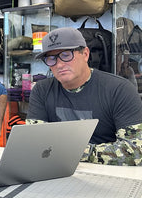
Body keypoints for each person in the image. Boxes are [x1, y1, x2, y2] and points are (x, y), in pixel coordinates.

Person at [27, 27, 142, 166]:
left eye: (66, 55)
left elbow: (135, 151)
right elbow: (33, 141)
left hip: (108, 173)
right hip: (57, 168)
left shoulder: (119, 90)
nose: (59, 64)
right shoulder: (41, 90)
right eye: (51, 59)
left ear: (85, 54)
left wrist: (78, 152)